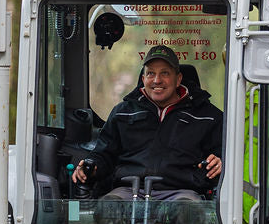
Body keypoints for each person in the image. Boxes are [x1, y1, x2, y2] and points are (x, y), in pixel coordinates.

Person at [73, 44, 223, 200]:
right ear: (143, 79)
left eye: (165, 73)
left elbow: (223, 154)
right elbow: (104, 154)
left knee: (188, 212)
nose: (157, 80)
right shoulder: (122, 112)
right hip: (128, 190)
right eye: (151, 73)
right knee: (109, 209)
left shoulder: (208, 116)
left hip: (182, 191)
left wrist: (220, 162)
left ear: (178, 79)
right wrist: (90, 165)